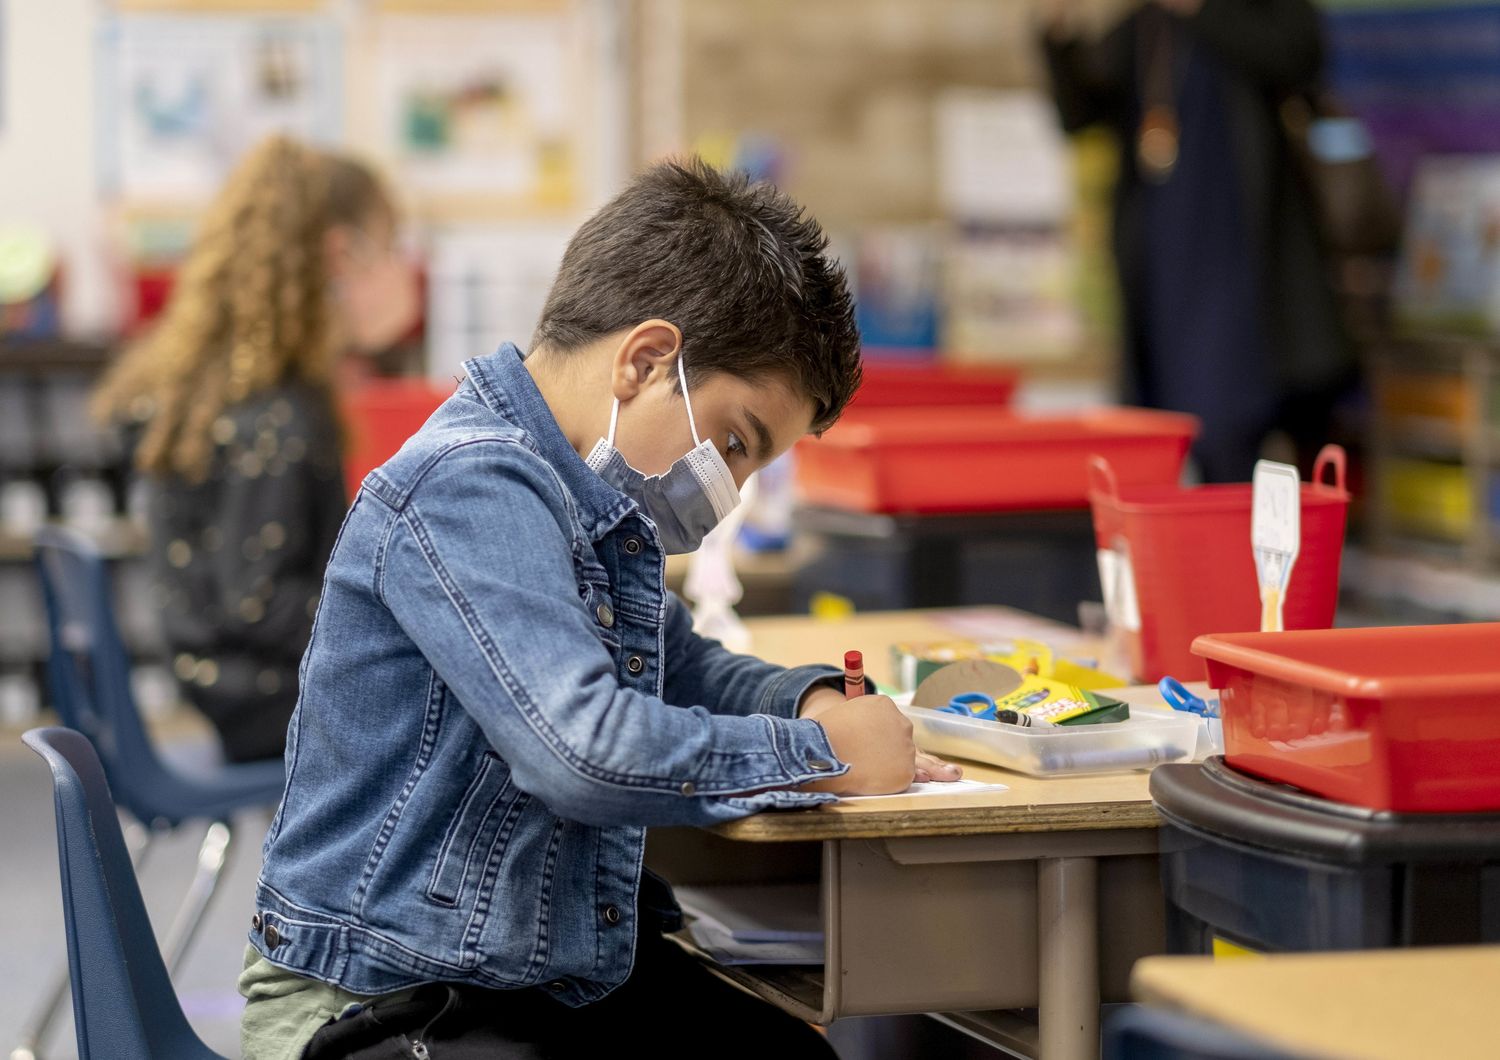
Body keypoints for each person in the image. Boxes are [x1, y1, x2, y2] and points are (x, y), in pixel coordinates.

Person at [238, 157, 963, 1059]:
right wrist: (818, 757)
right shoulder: (471, 483)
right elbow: (580, 751)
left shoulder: (580, 504)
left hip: (513, 977)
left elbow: (683, 665)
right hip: (378, 995)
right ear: (646, 360)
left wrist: (805, 702)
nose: (730, 491)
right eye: (736, 443)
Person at [93, 135, 418, 762]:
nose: (401, 268)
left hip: (224, 681)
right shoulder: (280, 411)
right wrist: (399, 610)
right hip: (259, 697)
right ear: (340, 254)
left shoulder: (247, 389)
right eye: (391, 245)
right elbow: (257, 601)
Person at [1040, 0, 1352, 482]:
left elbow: (1299, 58)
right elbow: (1079, 113)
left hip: (1242, 253)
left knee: (1232, 419)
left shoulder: (1254, 13)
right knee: (1166, 410)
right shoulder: (1144, 26)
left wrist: (1200, 9)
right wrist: (1057, 32)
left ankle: (1243, 533)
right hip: (1166, 265)